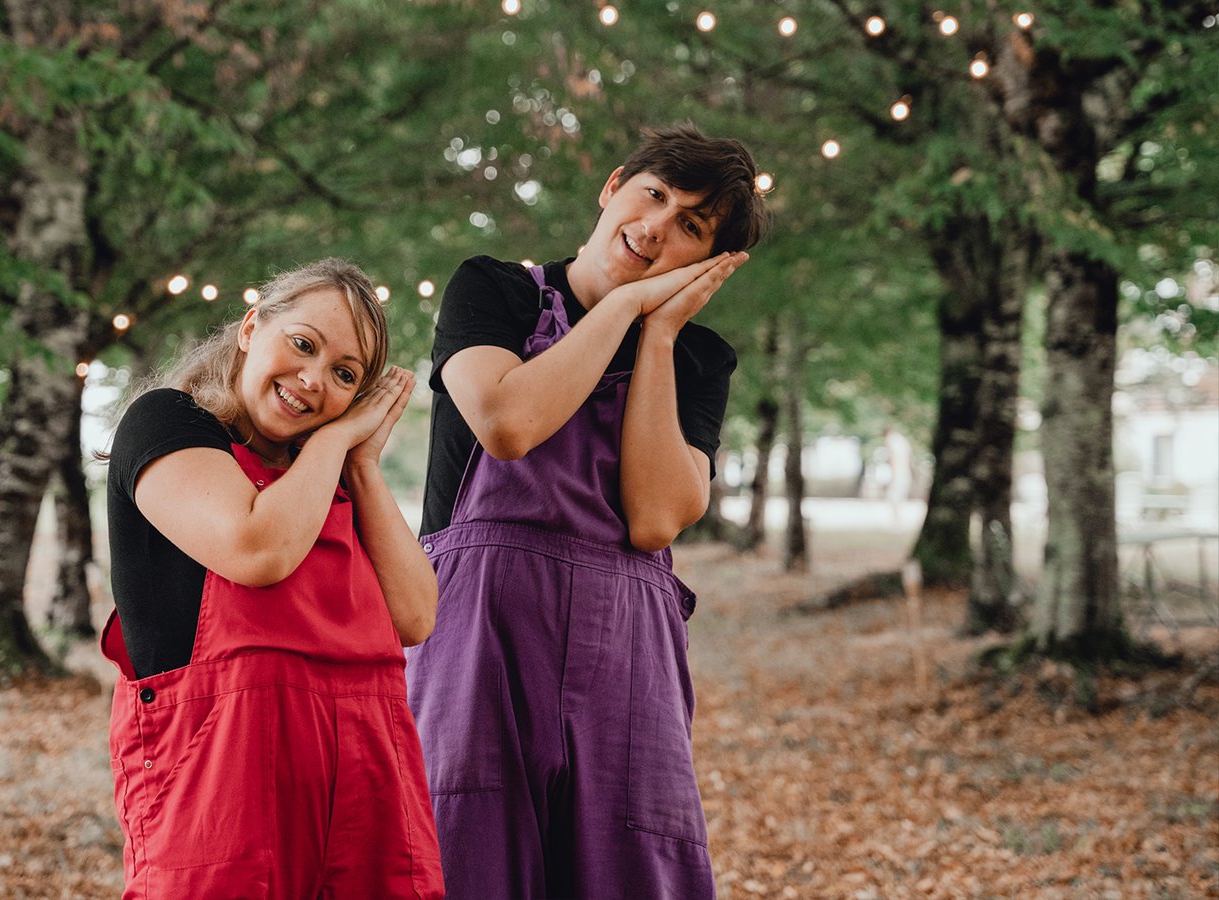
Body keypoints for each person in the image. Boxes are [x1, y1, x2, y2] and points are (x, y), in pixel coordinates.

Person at [407, 123, 770, 898]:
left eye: (691, 227)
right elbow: (507, 423)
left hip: (626, 652)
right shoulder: (492, 290)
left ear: (708, 261)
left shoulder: (700, 359)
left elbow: (657, 518)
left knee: (629, 868)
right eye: (655, 194)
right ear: (613, 186)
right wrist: (626, 305)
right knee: (469, 858)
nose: (656, 226)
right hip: (478, 637)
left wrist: (662, 334)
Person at [99, 258, 444, 899]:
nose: (313, 380)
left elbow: (416, 616)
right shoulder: (167, 423)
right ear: (252, 327)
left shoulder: (327, 475)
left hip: (370, 793)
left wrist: (359, 462)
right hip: (223, 791)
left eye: (345, 375)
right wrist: (335, 438)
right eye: (303, 344)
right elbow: (256, 550)